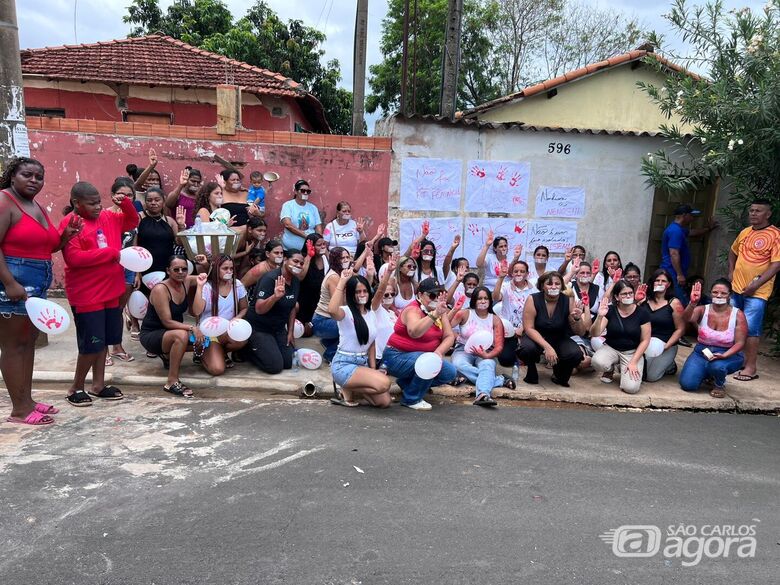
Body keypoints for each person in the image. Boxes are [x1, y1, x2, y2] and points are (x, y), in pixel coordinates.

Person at [0, 157, 82, 425]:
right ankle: (19, 410)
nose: (34, 180)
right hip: (15, 283)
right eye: (27, 175)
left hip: (36, 283)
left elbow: (47, 246)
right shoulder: (4, 201)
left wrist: (66, 235)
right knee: (14, 346)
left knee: (29, 343)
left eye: (38, 176)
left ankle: (28, 400)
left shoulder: (34, 205)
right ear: (13, 176)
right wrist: (10, 283)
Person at [60, 181, 139, 406]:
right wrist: (110, 253)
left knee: (104, 341)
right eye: (91, 203)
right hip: (87, 293)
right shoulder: (71, 223)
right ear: (76, 203)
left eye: (98, 202)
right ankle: (75, 387)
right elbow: (74, 258)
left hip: (110, 291)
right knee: (91, 344)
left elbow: (132, 222)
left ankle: (98, 385)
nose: (97, 207)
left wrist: (126, 204)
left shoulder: (107, 217)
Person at [381, 278, 458, 410]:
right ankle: (411, 398)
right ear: (420, 295)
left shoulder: (440, 310)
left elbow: (449, 336)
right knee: (430, 363)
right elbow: (415, 332)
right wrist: (435, 314)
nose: (435, 299)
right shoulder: (413, 310)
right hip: (396, 357)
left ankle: (407, 384)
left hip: (423, 357)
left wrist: (439, 352)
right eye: (432, 295)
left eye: (438, 295)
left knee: (449, 372)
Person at [728, 198, 780, 382]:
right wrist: (731, 273)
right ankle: (737, 361)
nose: (753, 214)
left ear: (768, 214)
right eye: (751, 211)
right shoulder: (745, 232)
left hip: (757, 293)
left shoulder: (775, 235)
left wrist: (754, 286)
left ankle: (750, 368)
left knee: (751, 329)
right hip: (737, 289)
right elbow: (732, 252)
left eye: (758, 211)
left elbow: (775, 266)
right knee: (735, 326)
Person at [140, 255, 207, 397]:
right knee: (181, 335)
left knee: (206, 340)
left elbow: (208, 276)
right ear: (168, 271)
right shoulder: (160, 289)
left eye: (184, 269)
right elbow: (167, 322)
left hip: (172, 331)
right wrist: (192, 328)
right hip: (153, 334)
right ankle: (171, 381)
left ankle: (167, 356)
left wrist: (205, 265)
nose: (181, 272)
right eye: (176, 269)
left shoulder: (187, 281)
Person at [327, 268, 392, 408]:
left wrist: (373, 368)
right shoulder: (345, 312)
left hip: (362, 364)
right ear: (351, 294)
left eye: (364, 291)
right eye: (357, 292)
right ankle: (345, 386)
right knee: (384, 383)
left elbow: (372, 343)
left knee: (384, 402)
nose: (362, 294)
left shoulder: (371, 313)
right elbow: (332, 310)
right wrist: (342, 281)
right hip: (343, 364)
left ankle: (350, 389)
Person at [516, 271, 590, 387]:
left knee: (575, 354)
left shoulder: (567, 300)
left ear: (562, 286)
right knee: (526, 349)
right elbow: (529, 328)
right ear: (542, 286)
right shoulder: (533, 299)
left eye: (557, 284)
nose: (554, 287)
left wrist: (577, 318)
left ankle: (559, 374)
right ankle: (531, 370)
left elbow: (580, 332)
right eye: (549, 284)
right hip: (537, 337)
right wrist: (547, 347)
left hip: (559, 337)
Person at [680, 279, 747, 397]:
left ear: (729, 295)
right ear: (710, 293)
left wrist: (725, 355)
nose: (719, 296)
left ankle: (719, 383)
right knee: (688, 385)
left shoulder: (738, 314)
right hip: (702, 352)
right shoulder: (702, 309)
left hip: (727, 353)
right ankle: (707, 374)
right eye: (715, 292)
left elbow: (740, 343)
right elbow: (686, 319)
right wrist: (693, 303)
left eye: (723, 293)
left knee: (718, 366)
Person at [451, 286, 515, 407]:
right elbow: (445, 326)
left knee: (488, 365)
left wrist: (487, 355)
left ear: (490, 301)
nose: (483, 301)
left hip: (486, 351)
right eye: (479, 298)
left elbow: (499, 346)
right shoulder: (464, 313)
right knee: (458, 365)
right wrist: (454, 310)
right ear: (474, 300)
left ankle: (483, 394)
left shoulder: (495, 319)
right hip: (463, 349)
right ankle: (499, 380)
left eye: (486, 298)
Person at [242, 250, 304, 374]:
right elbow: (259, 309)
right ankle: (247, 350)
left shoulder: (296, 281)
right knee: (275, 367)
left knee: (288, 363)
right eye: (295, 261)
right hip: (260, 327)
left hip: (278, 328)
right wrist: (275, 297)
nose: (298, 265)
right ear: (285, 260)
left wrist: (290, 332)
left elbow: (292, 307)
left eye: (301, 263)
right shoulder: (269, 278)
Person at [590, 280, 651, 394]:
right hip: (611, 348)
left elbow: (645, 340)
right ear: (617, 297)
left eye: (630, 293)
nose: (628, 296)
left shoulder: (642, 313)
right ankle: (610, 369)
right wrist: (599, 316)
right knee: (597, 362)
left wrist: (633, 362)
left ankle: (625, 369)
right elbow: (595, 333)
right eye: (624, 294)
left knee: (631, 388)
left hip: (632, 352)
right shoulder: (611, 310)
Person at [107, 176, 141, 363]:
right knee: (105, 309)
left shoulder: (134, 219)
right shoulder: (105, 215)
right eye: (122, 194)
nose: (125, 198)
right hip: (109, 269)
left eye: (130, 196)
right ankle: (102, 350)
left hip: (128, 269)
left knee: (118, 309)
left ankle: (117, 346)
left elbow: (135, 245)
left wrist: (137, 272)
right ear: (113, 195)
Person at [660, 203, 718, 303]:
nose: (693, 218)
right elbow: (674, 253)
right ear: (684, 216)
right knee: (681, 302)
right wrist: (679, 274)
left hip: (673, 273)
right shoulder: (675, 231)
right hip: (672, 273)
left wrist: (708, 229)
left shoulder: (679, 229)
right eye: (691, 215)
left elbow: (692, 232)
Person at [136, 187, 185, 295]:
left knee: (166, 296)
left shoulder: (170, 221)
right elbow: (135, 246)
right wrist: (137, 272)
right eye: (149, 200)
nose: (153, 203)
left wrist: (181, 225)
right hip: (145, 267)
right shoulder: (139, 218)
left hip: (166, 267)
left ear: (163, 201)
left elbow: (179, 242)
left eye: (157, 200)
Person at [643, 269, 686, 382]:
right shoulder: (643, 300)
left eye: (663, 281)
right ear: (652, 283)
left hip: (666, 345)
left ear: (669, 284)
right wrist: (637, 302)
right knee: (639, 372)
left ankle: (670, 365)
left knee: (650, 377)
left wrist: (667, 345)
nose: (660, 283)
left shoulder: (674, 303)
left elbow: (680, 329)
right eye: (657, 280)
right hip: (644, 343)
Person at [492, 260, 536, 367]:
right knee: (506, 360)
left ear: (527, 274)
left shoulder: (534, 290)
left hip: (526, 330)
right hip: (507, 330)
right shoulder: (506, 286)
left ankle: (521, 353)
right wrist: (500, 278)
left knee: (530, 351)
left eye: (522, 271)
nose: (519, 274)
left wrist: (522, 328)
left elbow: (536, 314)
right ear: (512, 273)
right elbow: (495, 297)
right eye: (516, 271)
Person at [297, 233, 329, 333]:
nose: (323, 247)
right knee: (305, 332)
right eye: (319, 245)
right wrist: (309, 256)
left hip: (319, 301)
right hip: (304, 301)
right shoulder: (302, 258)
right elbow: (300, 277)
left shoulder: (326, 258)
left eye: (324, 244)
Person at [280, 179, 322, 251]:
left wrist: (319, 240)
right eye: (303, 190)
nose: (305, 193)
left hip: (309, 249)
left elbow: (318, 227)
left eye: (308, 191)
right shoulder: (288, 205)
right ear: (296, 191)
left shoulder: (313, 208)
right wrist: (307, 237)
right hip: (291, 250)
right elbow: (287, 224)